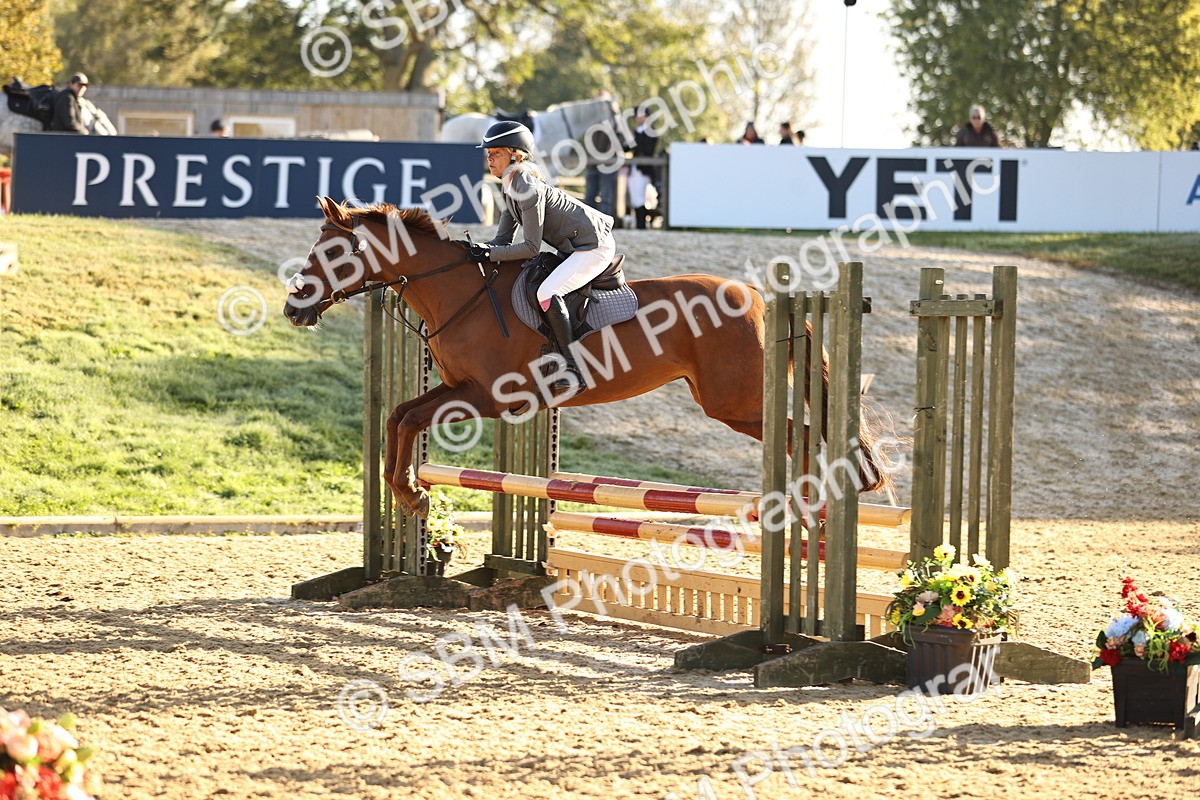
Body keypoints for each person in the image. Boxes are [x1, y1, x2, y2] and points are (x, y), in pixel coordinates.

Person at [468, 120, 616, 400]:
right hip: (573, 247)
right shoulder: (509, 186)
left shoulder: (526, 186)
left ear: (516, 156)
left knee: (547, 292)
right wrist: (474, 250)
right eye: (488, 153)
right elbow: (502, 241)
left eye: (496, 153)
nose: (489, 158)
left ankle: (573, 371)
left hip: (593, 246)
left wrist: (488, 253)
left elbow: (531, 248)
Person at [582, 93, 622, 222]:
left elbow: (621, 137)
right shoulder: (591, 118)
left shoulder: (615, 118)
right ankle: (589, 225)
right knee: (589, 197)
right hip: (591, 162)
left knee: (606, 198)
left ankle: (604, 226)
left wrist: (612, 148)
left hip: (608, 163)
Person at [627, 106, 660, 229]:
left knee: (641, 197)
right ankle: (639, 224)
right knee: (635, 198)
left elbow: (646, 149)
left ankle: (642, 225)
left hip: (644, 169)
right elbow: (627, 148)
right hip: (634, 168)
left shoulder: (650, 132)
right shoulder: (635, 132)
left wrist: (633, 140)